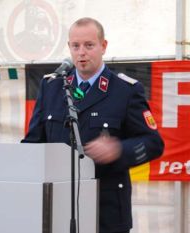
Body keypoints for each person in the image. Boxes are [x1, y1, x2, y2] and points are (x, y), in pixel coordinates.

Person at [21, 17, 164, 233]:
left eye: (89, 45)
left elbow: (153, 143)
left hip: (106, 210)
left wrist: (117, 150)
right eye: (75, 46)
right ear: (69, 47)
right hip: (57, 207)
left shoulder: (125, 91)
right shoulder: (51, 86)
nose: (81, 52)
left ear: (103, 46)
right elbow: (33, 143)